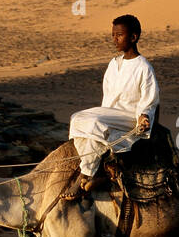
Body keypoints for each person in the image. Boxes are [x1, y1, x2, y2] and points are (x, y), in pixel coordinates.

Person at [61, 14, 159, 201]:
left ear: (133, 37)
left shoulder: (144, 67)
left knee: (94, 123)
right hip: (110, 115)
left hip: (130, 118)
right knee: (77, 118)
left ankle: (87, 175)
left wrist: (144, 115)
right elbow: (107, 99)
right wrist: (102, 120)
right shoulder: (113, 65)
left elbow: (150, 98)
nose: (115, 39)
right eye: (113, 35)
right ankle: (96, 167)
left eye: (119, 35)